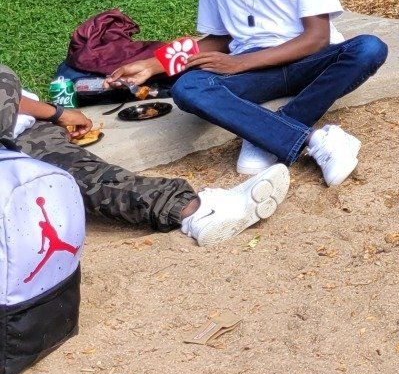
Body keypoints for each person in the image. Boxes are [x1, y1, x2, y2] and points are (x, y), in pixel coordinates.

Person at [105, 0, 381, 188]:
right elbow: (219, 39)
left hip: (309, 62)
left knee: (369, 48)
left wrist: (239, 63)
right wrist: (152, 65)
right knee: (188, 87)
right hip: (256, 74)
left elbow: (317, 37)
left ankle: (265, 134)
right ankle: (309, 138)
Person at [2, 63, 289, 247]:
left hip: (24, 123)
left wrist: (56, 116)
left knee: (83, 174)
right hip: (16, 138)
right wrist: (58, 113)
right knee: (87, 178)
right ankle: (196, 213)